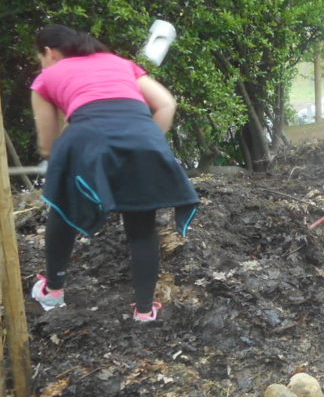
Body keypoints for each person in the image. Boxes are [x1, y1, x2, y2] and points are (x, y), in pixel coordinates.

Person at [28, 24, 199, 321]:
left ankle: (53, 290)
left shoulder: (46, 78)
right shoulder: (121, 63)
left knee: (63, 208)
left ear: (49, 52)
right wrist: (143, 146)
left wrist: (56, 161)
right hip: (143, 141)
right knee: (142, 229)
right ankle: (144, 311)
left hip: (88, 141)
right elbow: (166, 104)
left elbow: (47, 144)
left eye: (40, 58)